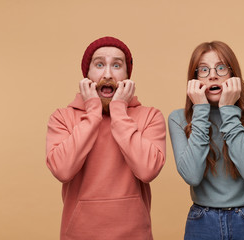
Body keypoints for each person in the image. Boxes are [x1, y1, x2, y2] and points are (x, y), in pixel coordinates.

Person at [46, 36, 166, 240]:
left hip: (135, 235)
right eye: (99, 64)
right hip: (79, 234)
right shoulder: (62, 117)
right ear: (87, 75)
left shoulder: (150, 116)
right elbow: (62, 170)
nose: (108, 73)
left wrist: (119, 111)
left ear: (128, 76)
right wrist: (92, 113)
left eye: (117, 65)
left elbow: (147, 170)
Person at [168, 41, 244, 240]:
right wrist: (200, 110)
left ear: (233, 74)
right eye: (203, 70)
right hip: (202, 221)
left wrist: (228, 109)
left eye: (221, 67)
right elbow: (192, 176)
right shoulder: (178, 119)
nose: (212, 75)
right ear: (193, 79)